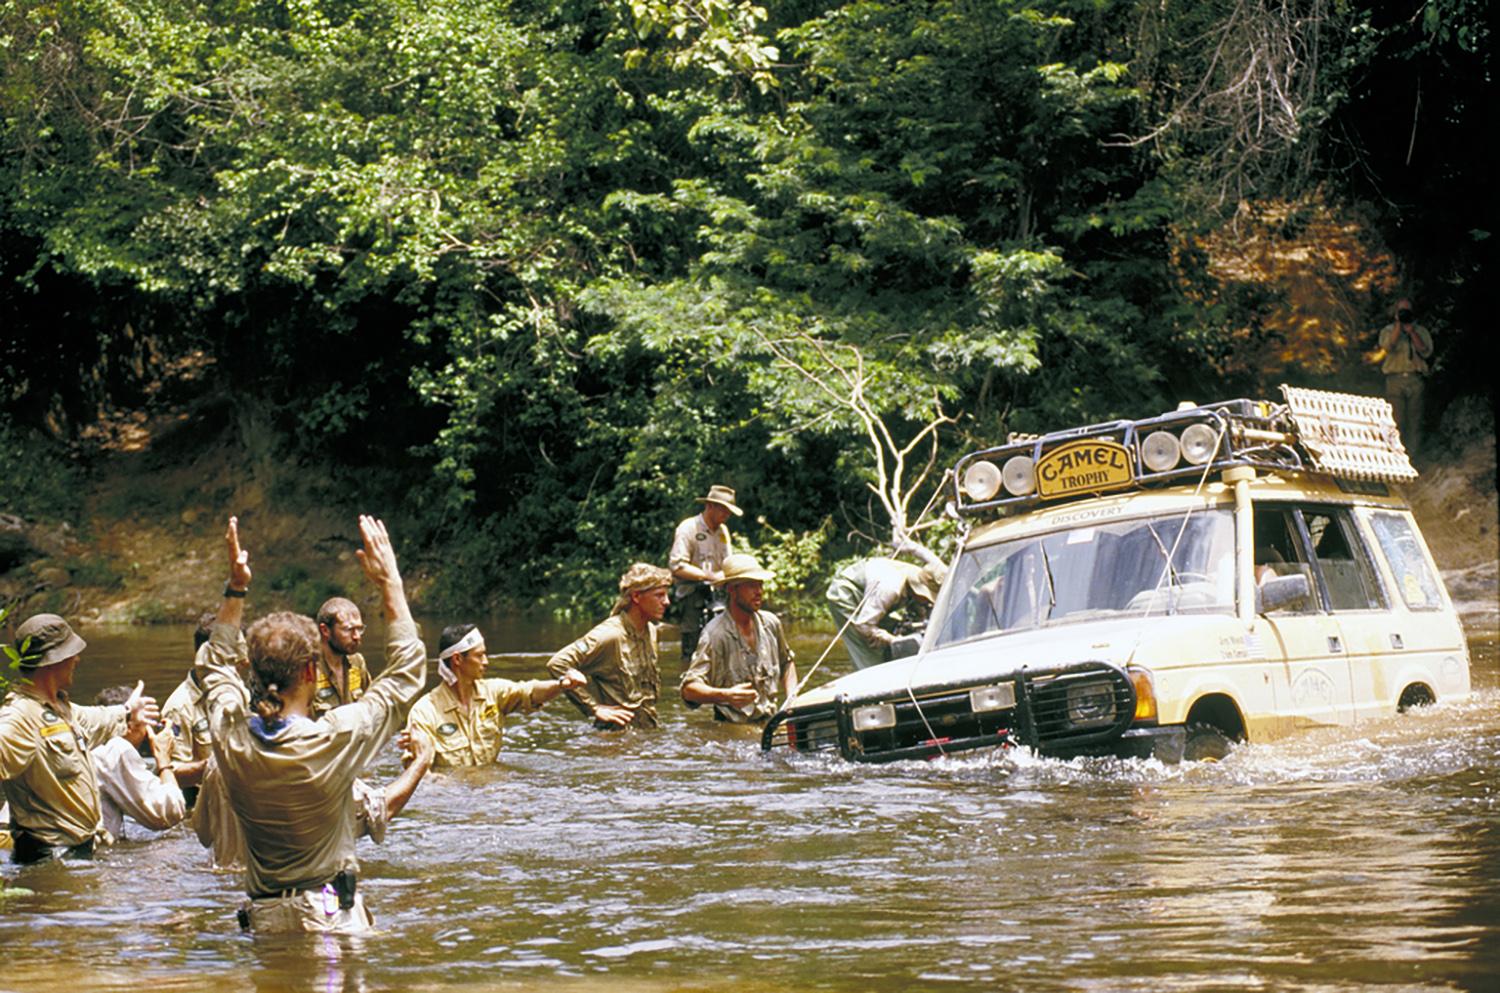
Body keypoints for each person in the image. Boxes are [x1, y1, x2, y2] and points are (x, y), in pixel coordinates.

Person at [199, 515, 425, 934]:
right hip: (327, 920)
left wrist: (236, 589)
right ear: (309, 673)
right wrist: (390, 581)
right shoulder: (335, 737)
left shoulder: (231, 736)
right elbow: (407, 673)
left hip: (264, 921)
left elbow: (213, 667)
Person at [0, 613, 160, 862]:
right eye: (70, 652)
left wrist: (129, 711)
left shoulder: (61, 708)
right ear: (53, 661)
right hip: (48, 858)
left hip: (75, 856)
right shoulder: (19, 716)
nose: (77, 658)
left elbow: (97, 719)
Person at [194, 731, 437, 871]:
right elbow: (378, 810)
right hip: (297, 907)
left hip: (236, 906)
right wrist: (422, 761)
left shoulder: (220, 756)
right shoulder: (310, 756)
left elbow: (203, 833)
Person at [406, 624, 586, 767]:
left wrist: (562, 684)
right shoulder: (425, 713)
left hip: (491, 788)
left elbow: (530, 692)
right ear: (457, 660)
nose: (486, 662)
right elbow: (418, 773)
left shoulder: (493, 693)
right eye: (480, 656)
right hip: (455, 797)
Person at [546, 563, 672, 729]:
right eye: (659, 595)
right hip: (613, 739)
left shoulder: (650, 631)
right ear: (636, 597)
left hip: (644, 733)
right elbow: (557, 663)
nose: (667, 602)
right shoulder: (609, 635)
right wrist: (593, 707)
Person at [680, 554, 798, 723]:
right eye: (751, 585)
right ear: (731, 590)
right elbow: (689, 690)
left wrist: (791, 699)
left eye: (760, 585)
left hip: (770, 722)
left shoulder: (771, 623)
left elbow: (786, 662)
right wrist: (725, 696)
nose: (759, 592)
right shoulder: (715, 634)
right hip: (733, 730)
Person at [161, 609, 247, 807]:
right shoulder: (179, 707)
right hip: (203, 807)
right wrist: (215, 766)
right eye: (233, 657)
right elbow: (169, 772)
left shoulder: (239, 692)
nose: (243, 663)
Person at [90, 685, 187, 840]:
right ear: (129, 725)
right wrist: (163, 759)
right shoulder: (115, 749)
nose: (148, 729)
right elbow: (170, 812)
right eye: (146, 722)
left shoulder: (92, 743)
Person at [825, 556, 946, 671]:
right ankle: (870, 679)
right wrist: (892, 640)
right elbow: (863, 625)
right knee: (870, 650)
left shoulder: (923, 576)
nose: (928, 602)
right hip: (847, 594)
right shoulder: (890, 588)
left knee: (898, 629)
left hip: (874, 600)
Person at [669, 484, 741, 657]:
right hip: (692, 593)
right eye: (723, 510)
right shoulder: (688, 528)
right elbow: (677, 566)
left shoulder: (723, 531)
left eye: (729, 511)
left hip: (719, 595)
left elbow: (727, 562)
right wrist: (709, 576)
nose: (727, 515)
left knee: (725, 644)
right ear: (710, 506)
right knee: (692, 649)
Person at [1372, 297, 1434, 456]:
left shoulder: (1420, 331)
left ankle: (1412, 456)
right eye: (1401, 311)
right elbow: (1387, 346)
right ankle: (1395, 455)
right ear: (1396, 313)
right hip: (1395, 380)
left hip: (1415, 379)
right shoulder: (1388, 331)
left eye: (1408, 311)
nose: (1405, 314)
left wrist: (1411, 331)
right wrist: (1399, 327)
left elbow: (1425, 351)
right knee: (1395, 421)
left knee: (1415, 421)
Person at [313, 596, 372, 717]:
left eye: (359, 629)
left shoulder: (357, 662)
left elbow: (372, 707)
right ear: (325, 630)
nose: (357, 637)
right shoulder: (309, 670)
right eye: (348, 629)